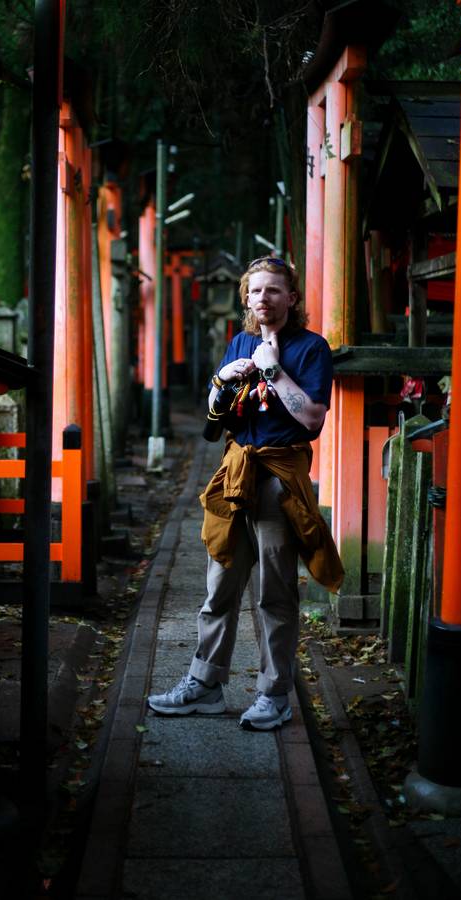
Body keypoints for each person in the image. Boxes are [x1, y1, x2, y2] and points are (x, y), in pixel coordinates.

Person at [147, 256, 343, 730]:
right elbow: (217, 423)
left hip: (280, 474)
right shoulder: (239, 342)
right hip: (238, 472)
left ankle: (274, 694)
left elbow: (313, 419)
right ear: (247, 299)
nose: (263, 299)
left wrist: (273, 371)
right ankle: (206, 684)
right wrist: (221, 384)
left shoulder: (312, 349)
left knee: (275, 593)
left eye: (273, 290)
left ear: (291, 298)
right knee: (220, 586)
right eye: (255, 292)